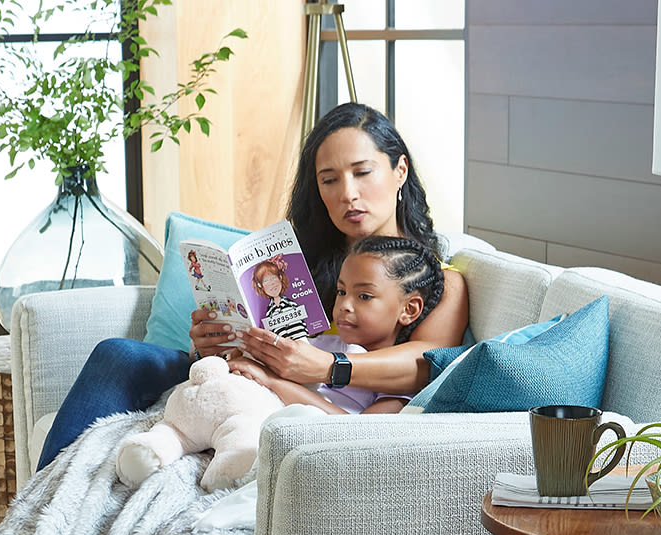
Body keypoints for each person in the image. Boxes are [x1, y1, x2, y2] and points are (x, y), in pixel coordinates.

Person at [35, 101, 472, 466]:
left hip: (308, 401)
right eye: (329, 180)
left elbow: (425, 365)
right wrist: (212, 343)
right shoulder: (295, 259)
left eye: (363, 172)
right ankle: (44, 507)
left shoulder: (439, 281)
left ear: (399, 171)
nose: (348, 194)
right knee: (118, 354)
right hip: (242, 377)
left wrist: (323, 368)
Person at [229, 237, 445, 416]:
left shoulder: (396, 382)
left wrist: (273, 382)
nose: (344, 306)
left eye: (364, 296)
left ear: (409, 309)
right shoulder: (318, 345)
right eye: (341, 292)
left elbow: (356, 431)